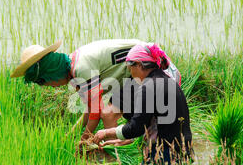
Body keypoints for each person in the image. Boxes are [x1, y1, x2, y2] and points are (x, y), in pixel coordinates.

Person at [10, 39, 182, 144]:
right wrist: (72, 135)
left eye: (46, 83)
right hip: (136, 78)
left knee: (108, 113)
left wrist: (85, 141)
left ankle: (116, 154)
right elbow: (89, 109)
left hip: (155, 71)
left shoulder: (81, 67)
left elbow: (95, 112)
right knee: (111, 112)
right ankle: (122, 146)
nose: (52, 87)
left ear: (51, 73)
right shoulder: (74, 68)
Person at [92, 43, 193, 165]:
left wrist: (106, 132)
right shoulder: (170, 82)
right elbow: (157, 122)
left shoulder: (148, 86)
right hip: (184, 152)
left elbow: (136, 127)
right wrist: (125, 138)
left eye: (130, 68)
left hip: (165, 156)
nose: (131, 73)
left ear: (139, 65)